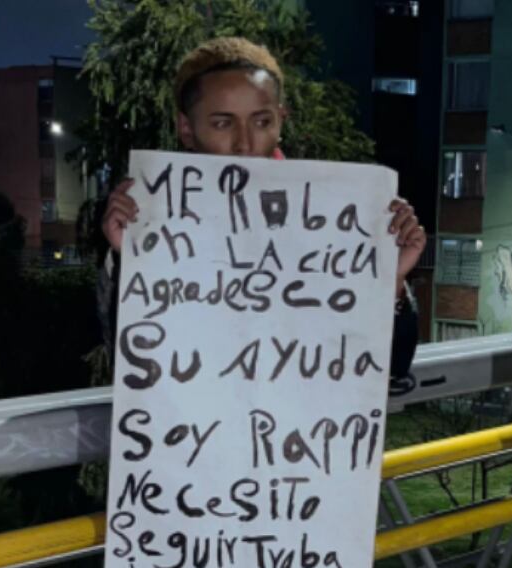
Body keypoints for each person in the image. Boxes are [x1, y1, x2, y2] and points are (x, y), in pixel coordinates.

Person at [98, 37, 428, 392]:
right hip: (197, 442)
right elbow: (134, 367)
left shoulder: (337, 223)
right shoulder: (151, 220)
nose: (244, 143)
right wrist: (130, 260)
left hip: (309, 441)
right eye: (223, 123)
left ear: (280, 120)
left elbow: (391, 371)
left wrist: (389, 282)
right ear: (187, 129)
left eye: (260, 121)